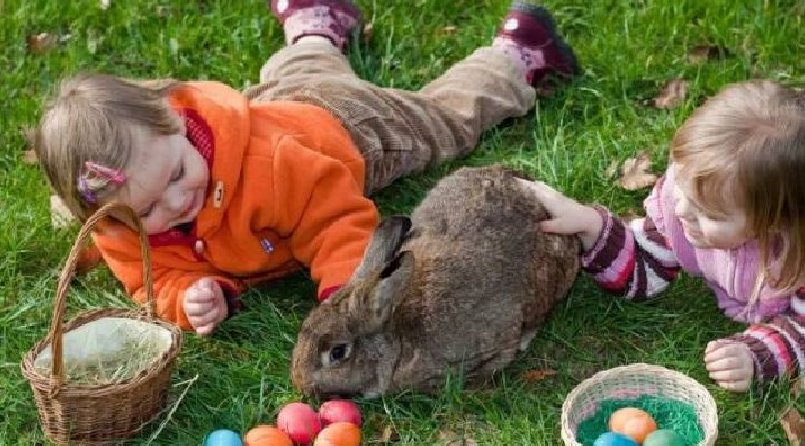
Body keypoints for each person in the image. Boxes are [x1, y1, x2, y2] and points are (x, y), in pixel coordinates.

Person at [35, 0, 580, 334]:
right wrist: (190, 296)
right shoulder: (118, 218)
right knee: (295, 75)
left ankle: (517, 55)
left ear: (177, 122)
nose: (175, 203)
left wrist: (347, 292)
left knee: (443, 121)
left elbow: (336, 223)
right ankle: (315, 26)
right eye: (149, 208)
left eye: (177, 176)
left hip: (347, 130)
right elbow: (153, 281)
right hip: (275, 103)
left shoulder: (275, 167)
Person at [526, 80, 805, 391]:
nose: (683, 211)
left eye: (709, 214)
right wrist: (590, 225)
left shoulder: (796, 260)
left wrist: (757, 356)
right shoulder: (686, 201)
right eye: (682, 189)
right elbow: (645, 263)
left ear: (774, 224)